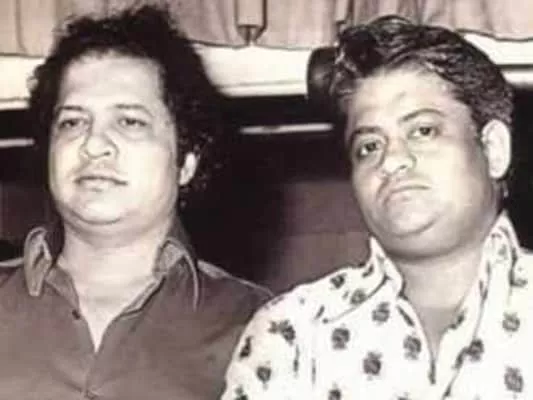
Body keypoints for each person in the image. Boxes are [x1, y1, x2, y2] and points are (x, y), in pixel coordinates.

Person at [222, 16, 532, 400]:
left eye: (423, 131)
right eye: (369, 146)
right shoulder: (292, 334)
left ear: (494, 150)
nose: (391, 160)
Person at [0, 5, 269, 399]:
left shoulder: (261, 323)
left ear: (186, 162)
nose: (93, 144)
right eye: (72, 122)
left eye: (129, 121)